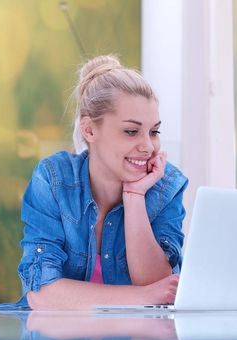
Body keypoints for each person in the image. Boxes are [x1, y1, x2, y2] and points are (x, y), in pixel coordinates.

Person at [18, 55, 188, 310]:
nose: (148, 146)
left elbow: (160, 288)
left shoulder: (165, 186)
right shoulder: (54, 180)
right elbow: (42, 294)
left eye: (154, 132)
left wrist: (134, 196)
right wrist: (142, 296)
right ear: (89, 131)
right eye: (131, 131)